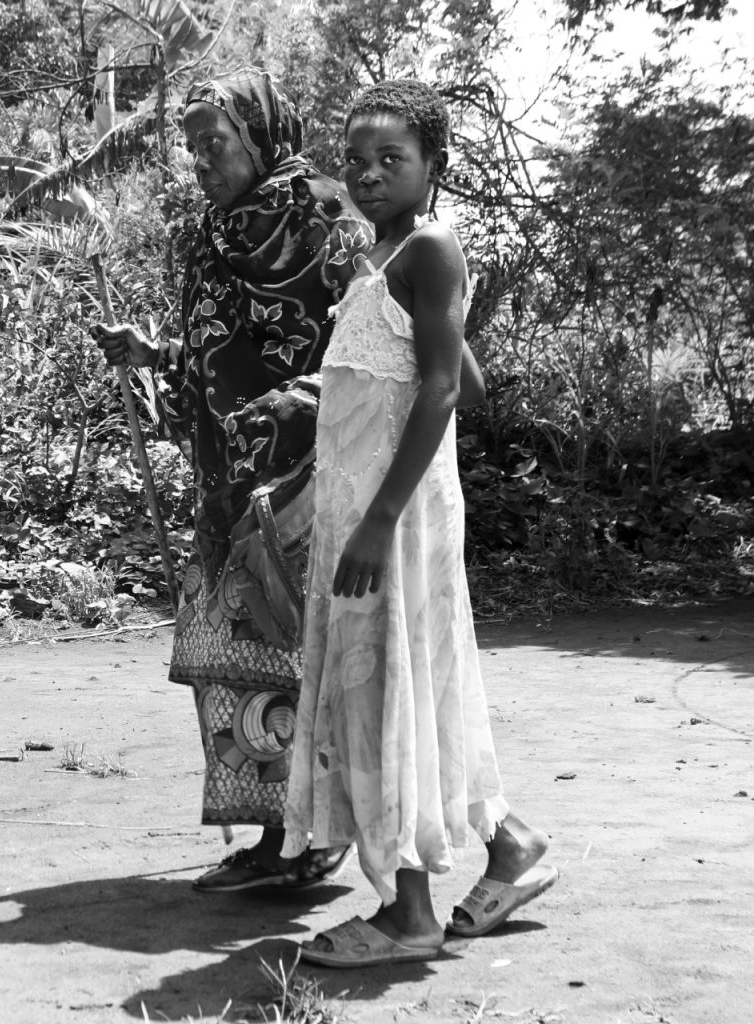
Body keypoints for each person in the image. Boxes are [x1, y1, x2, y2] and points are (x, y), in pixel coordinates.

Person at [282, 80, 557, 966]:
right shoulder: (386, 255)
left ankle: (409, 916)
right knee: (419, 690)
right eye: (356, 160)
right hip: (371, 505)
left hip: (390, 517)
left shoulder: (429, 245)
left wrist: (379, 519)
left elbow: (441, 392)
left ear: (432, 168)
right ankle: (508, 847)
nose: (367, 174)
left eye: (390, 159)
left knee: (381, 696)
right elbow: (457, 376)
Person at [94, 69, 372, 892]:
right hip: (225, 482)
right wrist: (154, 355)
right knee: (234, 656)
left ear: (259, 135)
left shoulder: (327, 220)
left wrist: (300, 404)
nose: (200, 163)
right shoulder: (210, 236)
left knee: (302, 651)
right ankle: (276, 833)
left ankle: (318, 833)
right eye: (191, 148)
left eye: (213, 144)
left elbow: (370, 349)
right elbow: (221, 359)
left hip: (308, 481)